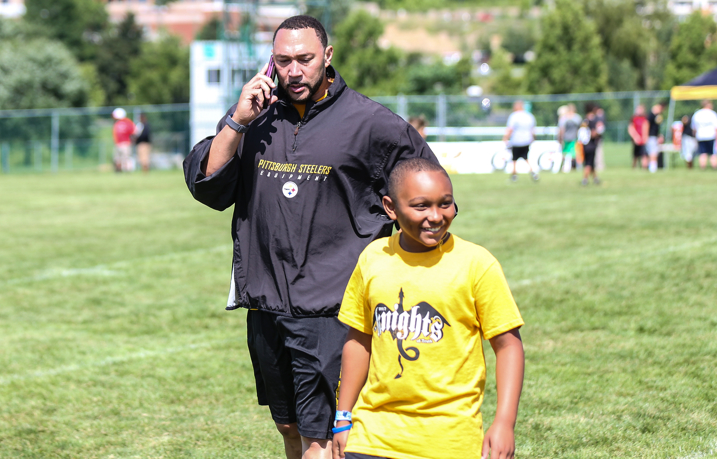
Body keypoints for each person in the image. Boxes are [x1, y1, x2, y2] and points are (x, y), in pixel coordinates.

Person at [182, 15, 438, 459]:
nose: (294, 71)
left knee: (322, 434)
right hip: (264, 299)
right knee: (288, 425)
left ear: (328, 56)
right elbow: (207, 185)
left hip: (332, 307)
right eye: (283, 61)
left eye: (304, 59)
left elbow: (429, 192)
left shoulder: (371, 123)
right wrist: (238, 121)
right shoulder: (254, 116)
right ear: (271, 62)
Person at [332, 158, 524, 459]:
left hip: (448, 441)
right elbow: (359, 340)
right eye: (421, 206)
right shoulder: (373, 258)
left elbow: (508, 346)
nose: (435, 216)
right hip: (372, 435)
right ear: (390, 207)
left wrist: (504, 422)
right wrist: (343, 416)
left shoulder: (476, 264)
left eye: (445, 204)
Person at [502, 100, 538, 182]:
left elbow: (510, 129)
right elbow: (532, 129)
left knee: (514, 158)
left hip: (516, 141)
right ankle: (533, 172)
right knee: (526, 157)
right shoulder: (529, 116)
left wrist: (505, 138)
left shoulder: (514, 116)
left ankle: (514, 176)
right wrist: (533, 138)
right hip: (527, 140)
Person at [691, 100, 717, 170]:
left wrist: (695, 137)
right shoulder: (713, 114)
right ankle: (714, 168)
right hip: (711, 136)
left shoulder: (697, 114)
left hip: (700, 136)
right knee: (713, 153)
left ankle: (703, 168)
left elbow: (694, 128)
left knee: (702, 153)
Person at [579, 103, 602, 186]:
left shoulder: (584, 120)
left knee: (591, 162)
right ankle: (585, 179)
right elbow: (597, 131)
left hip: (585, 144)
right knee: (589, 162)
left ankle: (595, 178)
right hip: (591, 144)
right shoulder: (594, 120)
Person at [557, 103, 582, 173]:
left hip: (569, 138)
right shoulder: (577, 118)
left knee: (568, 153)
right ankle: (569, 167)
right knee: (571, 153)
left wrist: (560, 138)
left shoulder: (565, 118)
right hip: (572, 138)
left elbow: (561, 129)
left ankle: (569, 166)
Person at [112, 107, 135, 172]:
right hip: (117, 144)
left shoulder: (127, 122)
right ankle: (118, 172)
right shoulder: (116, 123)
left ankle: (128, 172)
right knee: (117, 159)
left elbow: (133, 132)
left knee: (126, 158)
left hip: (126, 143)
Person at [645, 103, 665, 173]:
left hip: (654, 136)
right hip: (651, 136)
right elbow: (646, 125)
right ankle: (653, 168)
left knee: (654, 152)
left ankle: (653, 167)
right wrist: (646, 136)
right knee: (653, 152)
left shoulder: (656, 116)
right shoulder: (651, 115)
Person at [628, 105, 648, 169]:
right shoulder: (633, 118)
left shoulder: (645, 118)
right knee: (635, 155)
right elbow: (631, 128)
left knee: (644, 154)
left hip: (643, 139)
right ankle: (634, 167)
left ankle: (644, 168)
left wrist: (645, 137)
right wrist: (635, 137)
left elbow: (646, 127)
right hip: (636, 139)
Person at [594, 106, 606, 171]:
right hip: (594, 139)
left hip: (597, 138)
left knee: (599, 152)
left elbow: (600, 129)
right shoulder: (596, 117)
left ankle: (600, 166)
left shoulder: (600, 118)